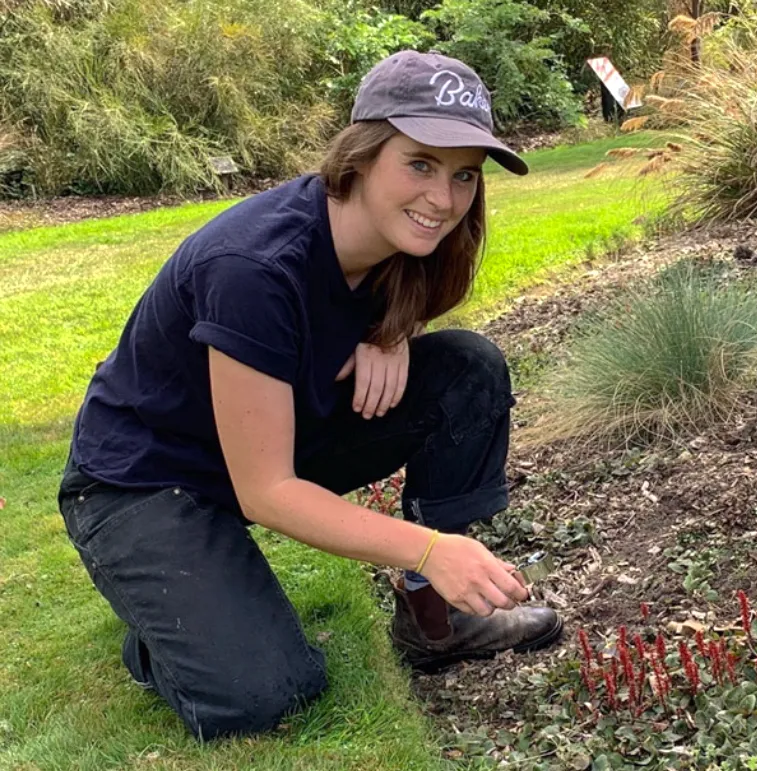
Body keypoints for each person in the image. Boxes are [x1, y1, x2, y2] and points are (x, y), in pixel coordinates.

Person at [57, 50, 563, 741]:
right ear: (359, 156)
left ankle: (434, 621)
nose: (444, 200)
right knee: (267, 693)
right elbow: (267, 491)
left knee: (467, 370)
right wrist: (428, 547)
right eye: (420, 163)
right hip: (142, 482)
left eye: (464, 175)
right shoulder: (252, 267)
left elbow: (368, 304)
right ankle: (165, 626)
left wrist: (391, 332)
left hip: (265, 442)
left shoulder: (406, 243)